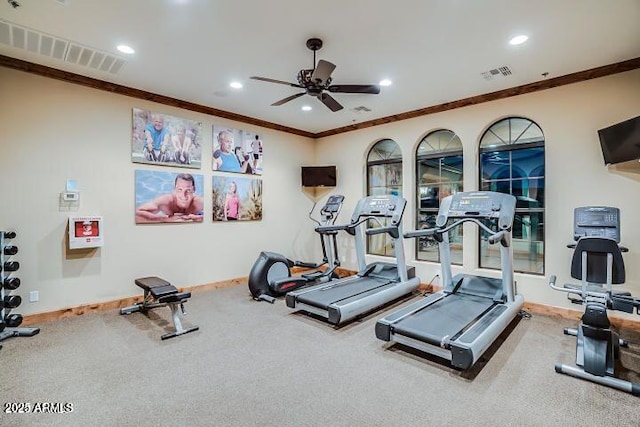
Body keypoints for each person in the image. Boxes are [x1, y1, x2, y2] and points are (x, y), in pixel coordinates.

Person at [135, 173, 204, 223]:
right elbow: (136, 214)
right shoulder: (166, 201)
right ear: (174, 189)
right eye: (180, 189)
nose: (183, 195)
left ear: (194, 190)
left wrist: (199, 218)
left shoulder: (199, 202)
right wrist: (164, 219)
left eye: (188, 190)